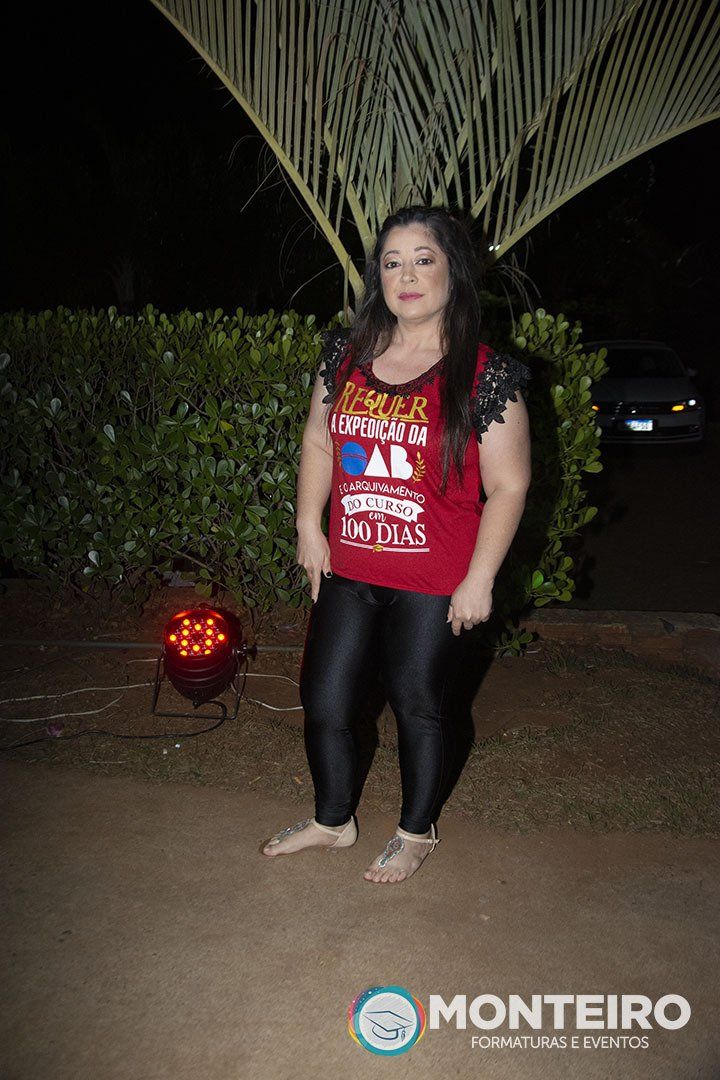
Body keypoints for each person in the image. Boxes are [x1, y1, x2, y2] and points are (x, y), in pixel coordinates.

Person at [261, 205, 532, 884]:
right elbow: (319, 440)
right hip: (350, 566)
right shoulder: (346, 355)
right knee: (325, 700)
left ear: (453, 273)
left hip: (435, 579)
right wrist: (309, 525)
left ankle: (416, 831)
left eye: (423, 260)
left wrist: (479, 578)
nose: (406, 276)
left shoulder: (484, 375)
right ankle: (334, 821)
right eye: (392, 263)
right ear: (377, 277)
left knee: (419, 705)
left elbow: (509, 485)